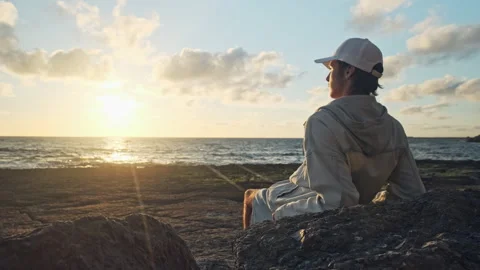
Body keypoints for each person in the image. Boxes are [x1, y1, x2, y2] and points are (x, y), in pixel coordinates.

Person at [243, 38, 426, 229]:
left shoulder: (323, 121)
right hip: (346, 198)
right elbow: (411, 191)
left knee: (251, 197)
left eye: (331, 68)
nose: (326, 78)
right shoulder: (393, 127)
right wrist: (375, 204)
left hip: (311, 196)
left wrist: (281, 214)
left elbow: (336, 202)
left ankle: (248, 255)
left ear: (349, 71)